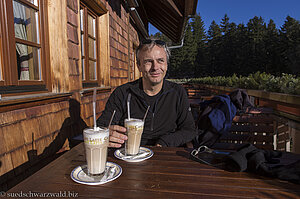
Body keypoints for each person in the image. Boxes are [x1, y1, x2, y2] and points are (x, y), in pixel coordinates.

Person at [97, 39, 197, 148]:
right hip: (129, 154)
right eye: (148, 61)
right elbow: (102, 126)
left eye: (160, 60)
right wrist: (106, 133)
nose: (155, 67)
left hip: (165, 154)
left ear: (166, 65)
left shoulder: (177, 92)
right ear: (139, 66)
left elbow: (189, 130)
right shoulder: (122, 93)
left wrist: (164, 142)